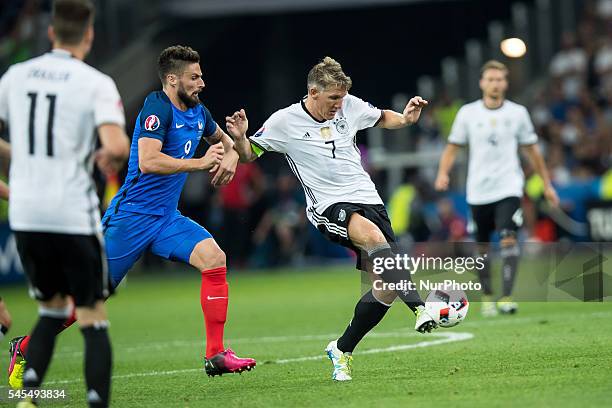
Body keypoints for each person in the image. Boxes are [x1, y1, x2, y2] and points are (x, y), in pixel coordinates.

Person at [10, 45, 258, 385]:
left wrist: (236, 145)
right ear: (172, 79)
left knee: (214, 258)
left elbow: (236, 150)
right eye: (194, 77)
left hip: (166, 219)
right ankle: (24, 346)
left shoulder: (199, 113)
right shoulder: (157, 107)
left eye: (201, 76)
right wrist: (200, 163)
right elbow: (148, 161)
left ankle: (215, 354)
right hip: (130, 218)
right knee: (89, 297)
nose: (202, 83)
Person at [227, 56, 436, 382]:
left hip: (370, 201)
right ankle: (421, 308)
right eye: (332, 99)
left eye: (341, 98)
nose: (339, 105)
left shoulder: (349, 105)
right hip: (328, 206)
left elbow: (382, 118)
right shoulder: (285, 121)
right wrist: (240, 138)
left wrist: (407, 119)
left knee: (385, 288)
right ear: (313, 92)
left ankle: (342, 348)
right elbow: (248, 155)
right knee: (374, 240)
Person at [0, 0, 131, 406]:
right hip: (71, 212)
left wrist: (22, 164)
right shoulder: (95, 82)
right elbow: (114, 145)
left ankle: (27, 397)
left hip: (26, 213)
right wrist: (112, 152)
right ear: (89, 35)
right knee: (92, 317)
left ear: (51, 32)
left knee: (50, 311)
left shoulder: (14, 77)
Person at [434, 60, 559, 316]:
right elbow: (452, 147)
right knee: (481, 247)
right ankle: (489, 296)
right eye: (490, 79)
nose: (495, 84)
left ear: (506, 83)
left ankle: (506, 296)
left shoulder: (517, 113)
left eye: (499, 79)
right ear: (482, 83)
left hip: (508, 187)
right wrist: (442, 173)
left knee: (508, 238)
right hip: (478, 190)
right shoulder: (468, 113)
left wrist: (547, 184)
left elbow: (532, 151)